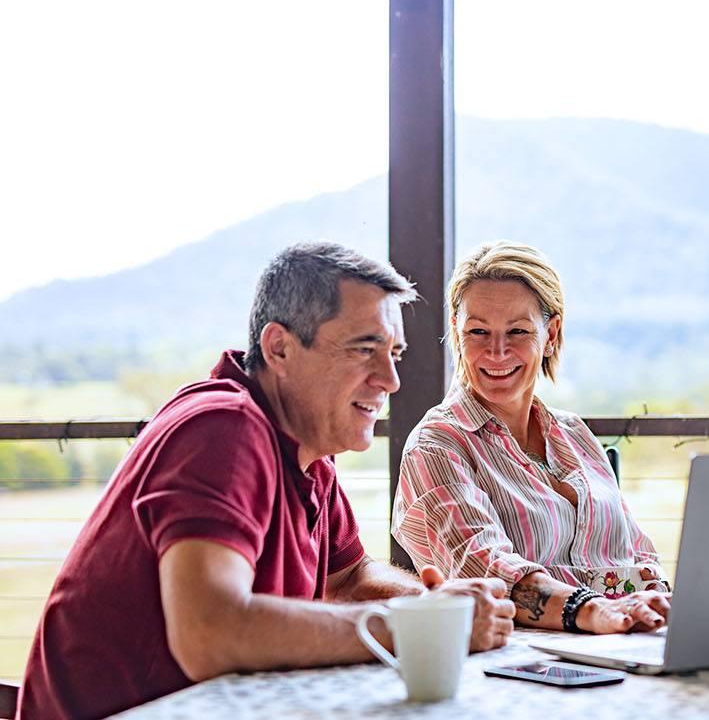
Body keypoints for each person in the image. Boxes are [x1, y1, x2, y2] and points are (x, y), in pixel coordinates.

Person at [18, 243, 516, 720]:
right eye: (365, 349)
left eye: (395, 354)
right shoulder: (222, 428)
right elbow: (211, 632)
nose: (390, 379)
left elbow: (350, 580)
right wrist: (416, 628)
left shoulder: (309, 449)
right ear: (279, 348)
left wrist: (439, 610)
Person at [392, 241, 671, 635]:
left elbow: (639, 553)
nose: (497, 350)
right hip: (519, 660)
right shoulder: (437, 444)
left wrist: (659, 601)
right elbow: (485, 569)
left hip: (628, 639)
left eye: (518, 331)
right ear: (458, 334)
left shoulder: (575, 434)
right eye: (478, 331)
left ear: (551, 334)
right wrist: (595, 611)